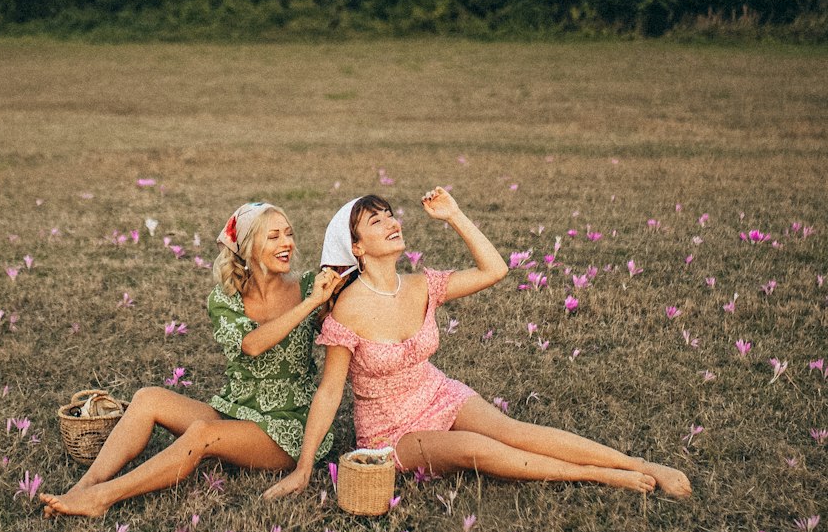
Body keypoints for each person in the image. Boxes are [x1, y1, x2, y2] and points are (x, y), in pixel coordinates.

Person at [263, 188, 692, 501]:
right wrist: (304, 470)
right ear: (355, 247)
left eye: (391, 216)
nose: (393, 224)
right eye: (377, 222)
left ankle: (639, 464)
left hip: (437, 391)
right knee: (477, 450)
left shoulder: (421, 285)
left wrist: (454, 215)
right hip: (391, 432)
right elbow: (330, 391)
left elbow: (495, 269)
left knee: (515, 432)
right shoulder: (346, 310)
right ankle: (600, 476)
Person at [40, 202, 346, 518]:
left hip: (289, 428)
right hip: (239, 412)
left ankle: (102, 498)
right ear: (247, 249)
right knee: (147, 399)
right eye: (273, 237)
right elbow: (252, 345)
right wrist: (309, 305)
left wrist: (318, 302)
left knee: (200, 433)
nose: (287, 243)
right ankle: (84, 486)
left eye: (288, 234)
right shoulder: (225, 299)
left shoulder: (311, 286)